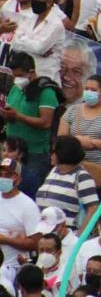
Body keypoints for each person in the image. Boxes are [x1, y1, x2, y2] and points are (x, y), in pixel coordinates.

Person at [1, 51, 60, 196]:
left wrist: (18, 116)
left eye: (20, 75)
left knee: (30, 191)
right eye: (14, 75)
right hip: (13, 150)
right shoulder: (16, 88)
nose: (17, 79)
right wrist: (6, 115)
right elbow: (11, 112)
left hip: (34, 153)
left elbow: (46, 122)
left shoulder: (46, 92)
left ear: (31, 72)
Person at [36, 135, 98, 232]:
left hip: (67, 235)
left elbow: (93, 210)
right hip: (44, 233)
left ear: (63, 153)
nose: (50, 155)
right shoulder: (53, 171)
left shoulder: (82, 177)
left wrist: (79, 238)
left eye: (53, 152)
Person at [0, 158, 40, 281]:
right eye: (0, 174)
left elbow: (35, 243)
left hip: (12, 268)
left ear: (18, 179)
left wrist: (5, 240)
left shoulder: (28, 205)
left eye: (8, 175)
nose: (3, 178)